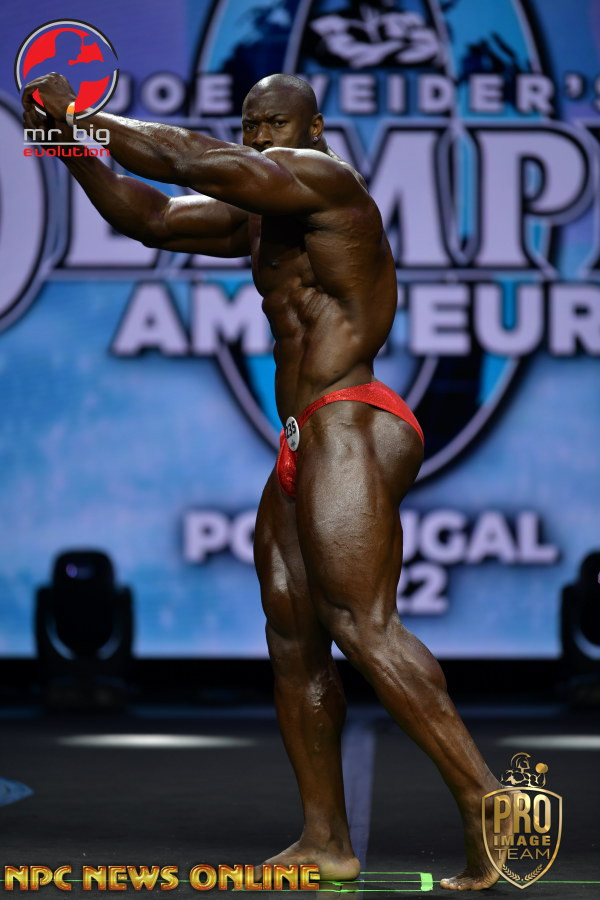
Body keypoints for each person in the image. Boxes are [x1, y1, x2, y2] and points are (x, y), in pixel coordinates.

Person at [23, 72, 509, 890]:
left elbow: (189, 160)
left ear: (313, 127)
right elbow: (147, 217)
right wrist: (64, 142)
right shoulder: (261, 217)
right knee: (292, 637)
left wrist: (83, 115)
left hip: (352, 416)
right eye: (249, 125)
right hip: (301, 436)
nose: (258, 139)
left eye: (274, 123)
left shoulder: (324, 180)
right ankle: (325, 840)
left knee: (361, 623)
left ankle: (488, 806)